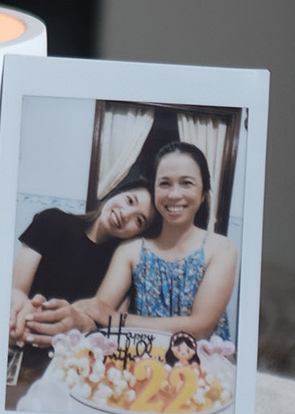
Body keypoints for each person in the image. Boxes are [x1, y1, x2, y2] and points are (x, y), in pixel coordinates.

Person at [29, 142, 237, 345]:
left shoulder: (222, 249)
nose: (174, 194)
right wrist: (70, 318)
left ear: (203, 195)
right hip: (142, 366)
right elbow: (96, 311)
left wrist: (117, 320)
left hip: (206, 368)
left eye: (186, 183)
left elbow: (200, 328)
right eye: (164, 183)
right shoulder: (131, 250)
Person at [10, 180, 154, 345]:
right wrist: (24, 315)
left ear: (139, 233)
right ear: (116, 193)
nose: (126, 214)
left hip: (72, 353)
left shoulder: (120, 266)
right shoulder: (50, 221)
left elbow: (98, 322)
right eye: (129, 200)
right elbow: (17, 289)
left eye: (139, 220)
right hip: (22, 332)